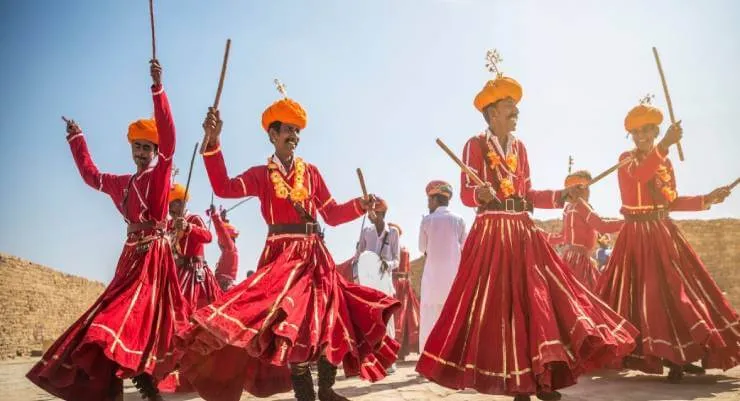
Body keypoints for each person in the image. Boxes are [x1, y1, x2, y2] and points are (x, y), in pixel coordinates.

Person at [415, 53, 638, 401]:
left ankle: (541, 379)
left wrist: (561, 194)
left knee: (537, 301)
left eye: (516, 108)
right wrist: (480, 192)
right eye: (510, 107)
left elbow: (528, 193)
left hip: (522, 231)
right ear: (492, 113)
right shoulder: (474, 145)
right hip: (491, 233)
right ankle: (519, 385)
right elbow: (465, 192)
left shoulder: (521, 147)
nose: (516, 113)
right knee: (502, 309)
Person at [174, 82, 400, 401]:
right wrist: (213, 142)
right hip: (281, 256)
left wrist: (360, 205)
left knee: (329, 316)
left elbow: (332, 215)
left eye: (297, 131)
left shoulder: (312, 173)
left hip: (315, 256)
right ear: (272, 135)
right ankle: (304, 395)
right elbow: (223, 186)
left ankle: (326, 390)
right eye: (287, 131)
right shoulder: (260, 175)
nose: (293, 137)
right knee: (290, 322)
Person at [27, 60, 189, 401]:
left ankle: (148, 387)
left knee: (139, 317)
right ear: (131, 150)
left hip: (155, 258)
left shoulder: (161, 176)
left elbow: (171, 139)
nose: (142, 152)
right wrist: (77, 139)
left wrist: (158, 89)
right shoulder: (120, 184)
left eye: (148, 147)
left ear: (156, 152)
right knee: (116, 316)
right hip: (130, 255)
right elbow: (91, 176)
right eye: (137, 147)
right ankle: (126, 386)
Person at [595, 95, 739, 383]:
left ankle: (681, 356)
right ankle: (661, 355)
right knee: (645, 295)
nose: (639, 137)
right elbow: (638, 175)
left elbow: (669, 201)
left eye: (645, 131)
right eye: (634, 132)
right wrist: (663, 147)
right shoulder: (626, 160)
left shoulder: (664, 163)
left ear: (655, 131)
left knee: (676, 292)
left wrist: (706, 199)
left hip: (662, 233)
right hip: (635, 236)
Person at [544, 170, 623, 290]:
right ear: (579, 190)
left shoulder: (568, 209)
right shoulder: (581, 206)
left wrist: (541, 235)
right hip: (579, 262)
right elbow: (601, 225)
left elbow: (562, 237)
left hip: (570, 259)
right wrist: (628, 222)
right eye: (586, 188)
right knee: (588, 299)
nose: (589, 192)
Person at [417, 180, 466, 351]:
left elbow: (422, 248)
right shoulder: (459, 220)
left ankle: (426, 361)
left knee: (429, 320)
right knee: (453, 319)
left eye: (429, 200)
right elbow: (465, 246)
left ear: (435, 200)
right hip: (453, 280)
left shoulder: (427, 221)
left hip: (432, 280)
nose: (428, 204)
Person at [167, 183, 221, 309]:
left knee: (185, 308)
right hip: (176, 271)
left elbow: (208, 237)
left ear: (182, 203)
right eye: (167, 205)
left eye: (172, 204)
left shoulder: (193, 218)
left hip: (192, 271)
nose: (169, 208)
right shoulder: (169, 224)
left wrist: (189, 228)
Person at [392, 243, 421, 361]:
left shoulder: (398, 250)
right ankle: (401, 350)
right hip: (403, 284)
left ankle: (400, 350)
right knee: (406, 317)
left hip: (398, 285)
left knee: (400, 317)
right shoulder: (404, 250)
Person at [209, 205, 240, 291]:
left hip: (223, 287)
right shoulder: (230, 250)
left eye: (219, 239)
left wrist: (215, 216)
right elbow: (223, 232)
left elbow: (222, 232)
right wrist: (222, 219)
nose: (218, 242)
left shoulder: (230, 248)